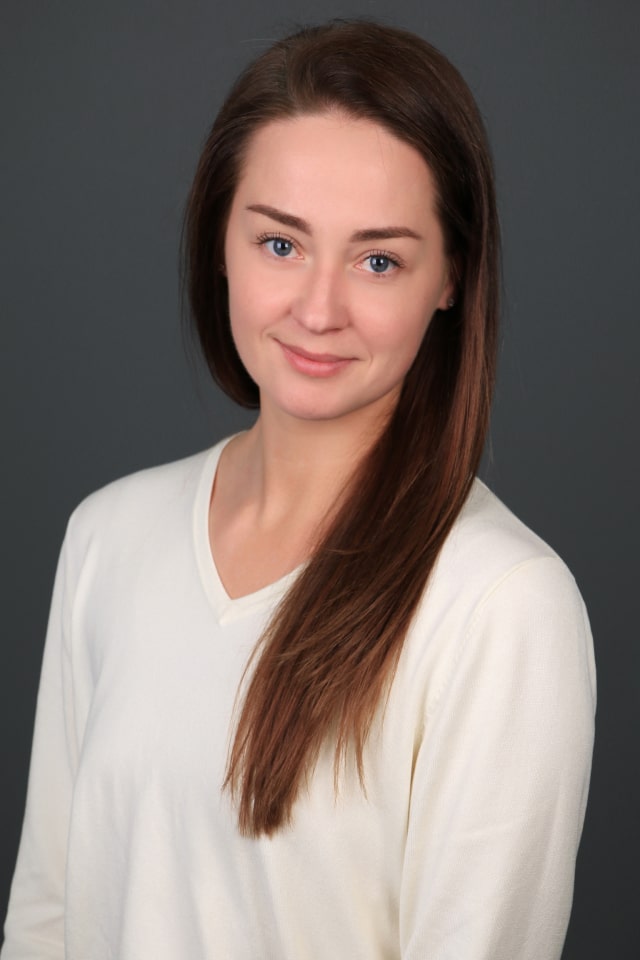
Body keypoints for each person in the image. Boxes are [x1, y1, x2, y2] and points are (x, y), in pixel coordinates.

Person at [1, 19, 595, 960]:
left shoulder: (501, 606)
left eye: (378, 260)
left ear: (450, 277)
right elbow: (46, 920)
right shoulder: (108, 537)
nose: (319, 310)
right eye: (280, 244)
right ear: (219, 242)